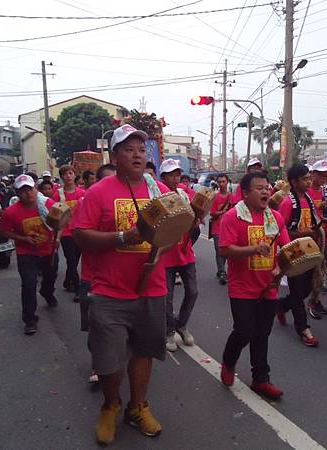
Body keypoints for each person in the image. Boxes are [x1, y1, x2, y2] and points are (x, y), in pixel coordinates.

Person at [74, 124, 168, 445]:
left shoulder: (159, 192)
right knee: (109, 361)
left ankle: (137, 407)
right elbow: (80, 235)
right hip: (109, 292)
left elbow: (178, 228)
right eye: (129, 149)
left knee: (143, 353)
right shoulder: (98, 192)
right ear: (115, 156)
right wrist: (122, 237)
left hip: (151, 289)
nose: (138, 155)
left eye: (142, 149)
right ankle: (110, 405)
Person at [218, 172, 290, 400]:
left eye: (267, 187)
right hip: (242, 288)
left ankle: (261, 379)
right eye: (259, 188)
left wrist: (281, 270)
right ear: (246, 193)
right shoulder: (232, 217)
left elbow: (286, 248)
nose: (265, 191)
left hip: (268, 286)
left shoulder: (276, 218)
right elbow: (225, 250)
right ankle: (229, 363)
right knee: (244, 331)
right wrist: (253, 249)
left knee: (262, 334)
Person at [0, 174, 59, 335]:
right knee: (29, 283)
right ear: (17, 193)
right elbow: (3, 230)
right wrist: (23, 238)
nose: (28, 194)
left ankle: (47, 292)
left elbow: (62, 222)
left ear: (35, 189)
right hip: (27, 252)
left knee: (51, 276)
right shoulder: (11, 212)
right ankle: (30, 319)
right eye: (23, 191)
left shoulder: (48, 205)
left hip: (49, 250)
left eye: (30, 189)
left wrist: (58, 238)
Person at [77, 163, 116, 385]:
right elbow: (81, 238)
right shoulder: (87, 203)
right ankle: (97, 363)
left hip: (119, 279)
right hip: (92, 277)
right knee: (95, 326)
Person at [157, 159, 199, 352]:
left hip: (185, 252)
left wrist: (196, 219)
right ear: (163, 176)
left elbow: (192, 218)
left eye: (177, 175)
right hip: (165, 255)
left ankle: (181, 324)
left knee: (192, 292)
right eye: (172, 175)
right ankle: (168, 331)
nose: (176, 178)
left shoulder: (183, 193)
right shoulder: (156, 195)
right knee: (167, 297)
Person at [277, 164, 321, 347]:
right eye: (305, 179)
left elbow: (315, 222)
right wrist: (303, 233)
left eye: (309, 178)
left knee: (307, 289)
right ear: (294, 182)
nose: (309, 181)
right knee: (297, 291)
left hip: (309, 251)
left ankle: (280, 306)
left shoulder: (309, 199)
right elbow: (280, 230)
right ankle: (303, 328)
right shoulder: (287, 202)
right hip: (293, 252)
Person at [306, 160, 327, 318]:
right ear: (313, 174)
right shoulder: (306, 191)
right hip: (311, 236)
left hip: (326, 234)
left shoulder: (326, 191)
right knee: (313, 271)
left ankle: (315, 299)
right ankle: (311, 301)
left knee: (324, 267)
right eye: (321, 174)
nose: (324, 177)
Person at [53, 165, 85, 300]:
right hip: (66, 233)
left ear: (75, 175)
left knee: (75, 260)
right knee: (71, 261)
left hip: (80, 231)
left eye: (71, 173)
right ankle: (78, 289)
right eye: (65, 174)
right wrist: (56, 237)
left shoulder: (82, 194)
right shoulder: (58, 195)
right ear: (62, 177)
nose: (68, 176)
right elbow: (55, 216)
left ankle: (67, 281)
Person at [210, 173, 232, 285]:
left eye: (223, 181)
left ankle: (221, 269)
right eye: (219, 182)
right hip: (217, 228)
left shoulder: (231, 197)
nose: (222, 184)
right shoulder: (215, 197)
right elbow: (213, 214)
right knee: (219, 251)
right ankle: (222, 271)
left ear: (227, 182)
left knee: (226, 251)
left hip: (229, 229)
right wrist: (223, 212)